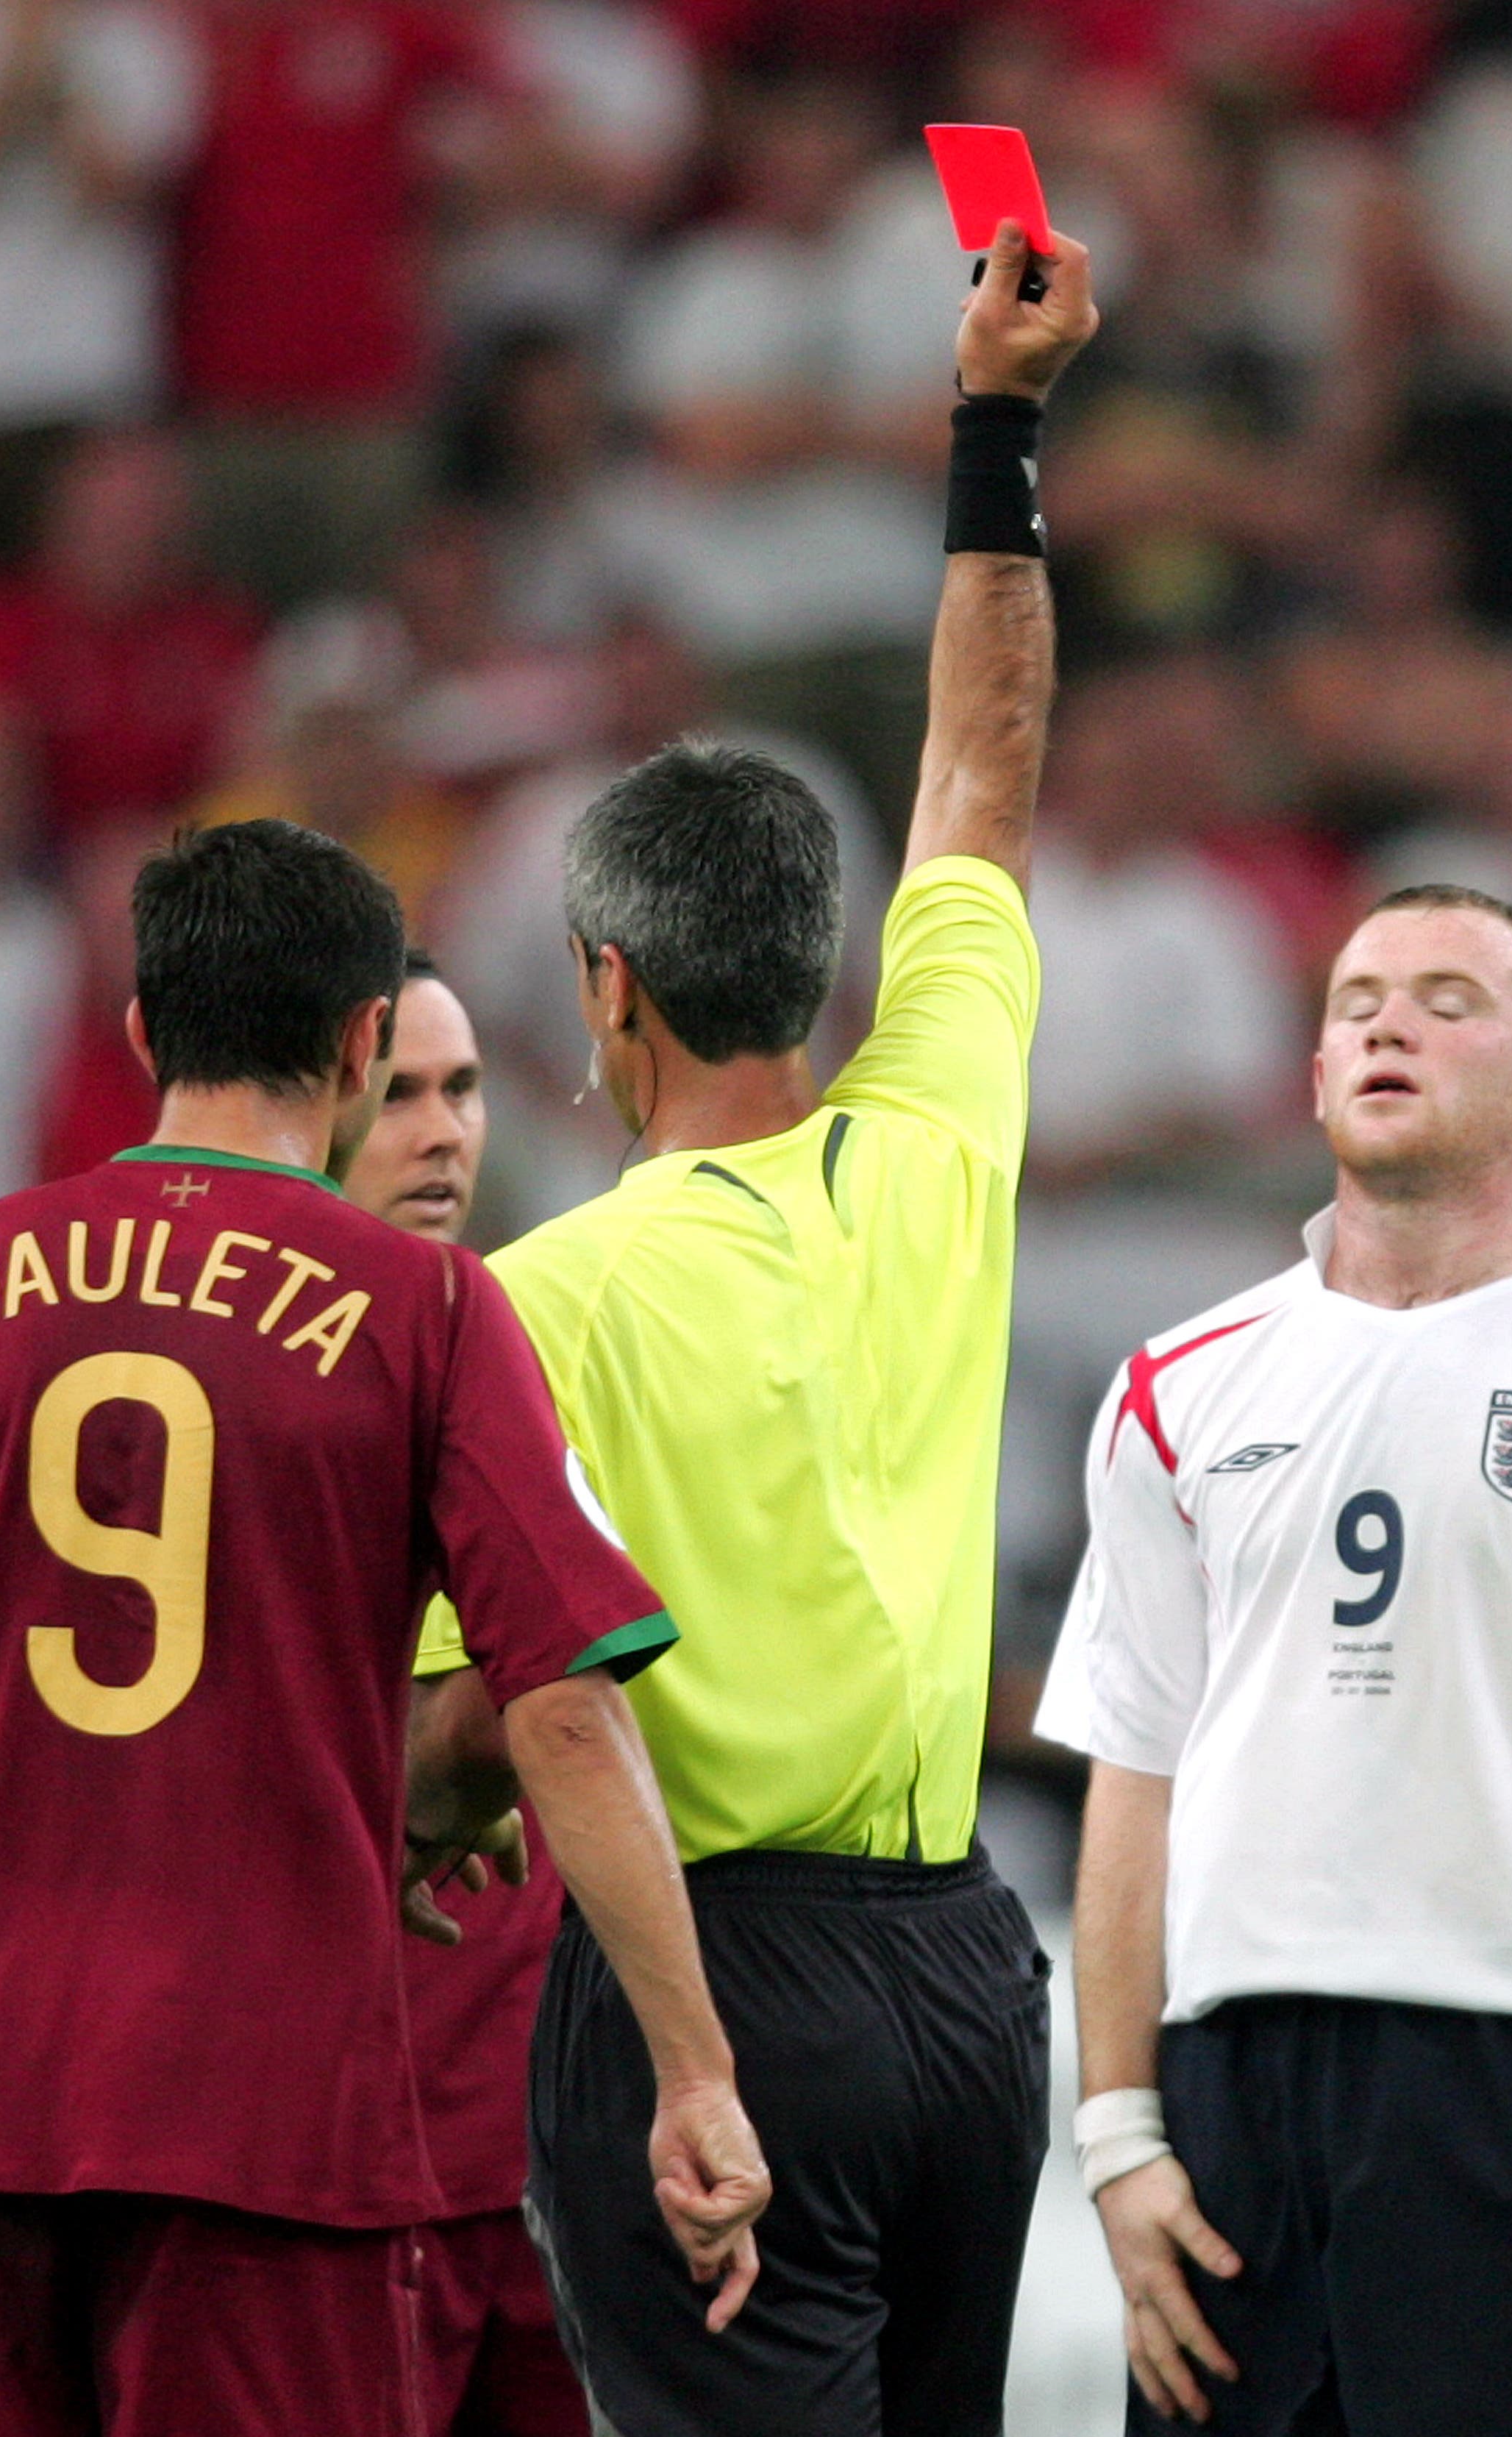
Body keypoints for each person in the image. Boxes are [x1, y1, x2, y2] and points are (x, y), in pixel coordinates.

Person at [0, 819, 769, 2435]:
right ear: (368, 1037)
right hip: (266, 2114)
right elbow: (566, 1709)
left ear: (144, 1031)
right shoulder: (423, 1310)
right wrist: (695, 2070)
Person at [410, 215, 1096, 2437]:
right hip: (968, 1974)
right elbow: (982, 762)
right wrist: (993, 429)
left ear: (604, 989)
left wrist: (430, 1810)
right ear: (824, 964)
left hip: (706, 1977)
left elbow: (471, 1737)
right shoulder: (935, 1152)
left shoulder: (531, 1301)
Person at [1033, 885, 1512, 2435]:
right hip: (1233, 2098)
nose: (1388, 1022)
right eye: (1355, 1000)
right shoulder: (1177, 1382)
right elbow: (1136, 1772)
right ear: (1319, 1067)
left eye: (1450, 998)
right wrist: (1121, 2131)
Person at [344, 951, 584, 2436]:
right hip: (346, 2152)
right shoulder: (251, 1399)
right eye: (397, 1097)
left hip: (546, 2151)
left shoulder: (539, 1344)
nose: (443, 1132)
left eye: (465, 1090)